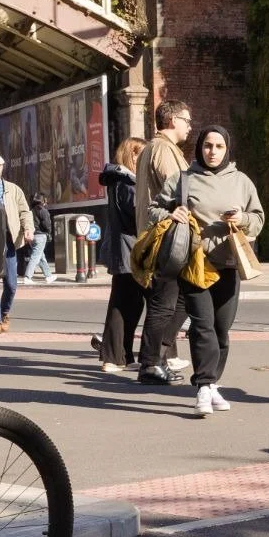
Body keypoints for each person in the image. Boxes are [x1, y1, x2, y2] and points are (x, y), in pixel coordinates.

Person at [140, 126, 265, 417]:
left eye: (219, 146)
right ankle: (204, 385)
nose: (212, 151)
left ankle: (212, 383)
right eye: (208, 145)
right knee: (203, 325)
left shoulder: (241, 182)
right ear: (200, 147)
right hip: (195, 262)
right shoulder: (184, 178)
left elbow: (258, 218)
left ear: (227, 149)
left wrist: (242, 218)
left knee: (222, 328)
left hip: (230, 263)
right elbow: (153, 209)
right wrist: (172, 213)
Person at [135, 98, 192, 383]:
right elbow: (180, 189)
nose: (189, 126)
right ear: (172, 121)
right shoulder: (163, 149)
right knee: (166, 302)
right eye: (186, 120)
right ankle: (150, 363)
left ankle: (158, 358)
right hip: (166, 238)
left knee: (179, 300)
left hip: (162, 235)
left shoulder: (153, 148)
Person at [94, 137, 145, 375]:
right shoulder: (127, 183)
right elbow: (137, 214)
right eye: (143, 155)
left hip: (125, 250)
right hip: (129, 251)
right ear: (133, 155)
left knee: (130, 304)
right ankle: (113, 357)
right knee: (122, 305)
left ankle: (122, 355)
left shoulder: (122, 181)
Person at [0, 151, 36, 335]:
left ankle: (4, 313)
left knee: (11, 284)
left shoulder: (13, 189)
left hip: (9, 240)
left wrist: (28, 228)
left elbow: (25, 212)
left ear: (2, 168)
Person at [27, 194, 57, 283]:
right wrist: (49, 231)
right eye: (45, 200)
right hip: (40, 236)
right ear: (42, 201)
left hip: (32, 236)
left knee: (41, 257)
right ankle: (27, 276)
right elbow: (47, 224)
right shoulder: (43, 211)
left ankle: (48, 276)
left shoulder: (31, 211)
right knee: (36, 257)